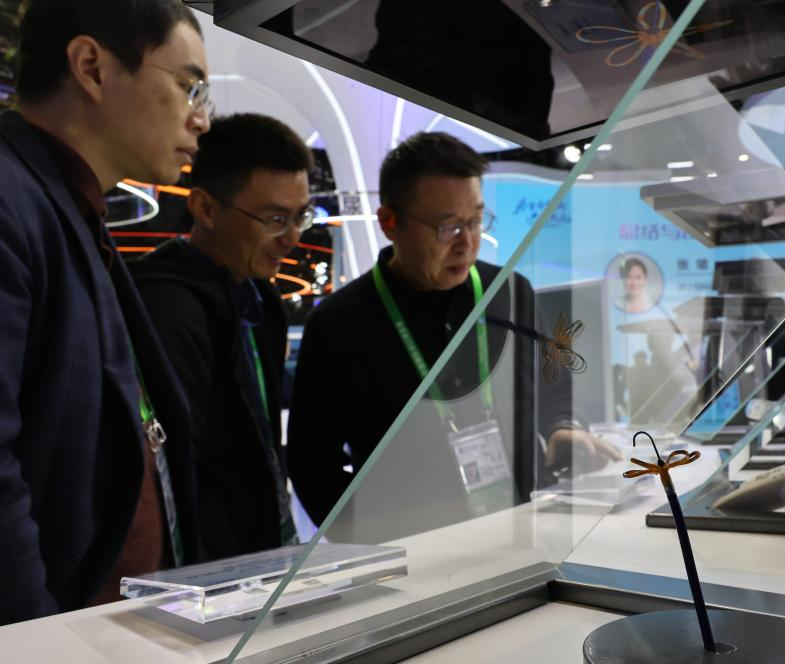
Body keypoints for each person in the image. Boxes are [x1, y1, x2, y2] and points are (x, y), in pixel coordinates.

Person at [288, 132, 619, 534]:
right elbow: (312, 466)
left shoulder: (510, 292)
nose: (467, 244)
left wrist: (561, 426)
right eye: (447, 227)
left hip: (525, 532)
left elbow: (555, 385)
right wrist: (375, 542)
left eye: (475, 221)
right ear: (390, 222)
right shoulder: (340, 324)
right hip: (416, 552)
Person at [0, 0, 210, 624]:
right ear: (91, 66)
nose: (201, 118)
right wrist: (39, 642)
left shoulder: (70, 207)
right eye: (189, 86)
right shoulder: (13, 202)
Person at [131, 114, 312, 559]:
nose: (291, 238)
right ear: (205, 209)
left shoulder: (260, 297)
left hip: (260, 553)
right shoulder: (165, 305)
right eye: (274, 219)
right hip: (201, 570)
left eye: (300, 217)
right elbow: (172, 470)